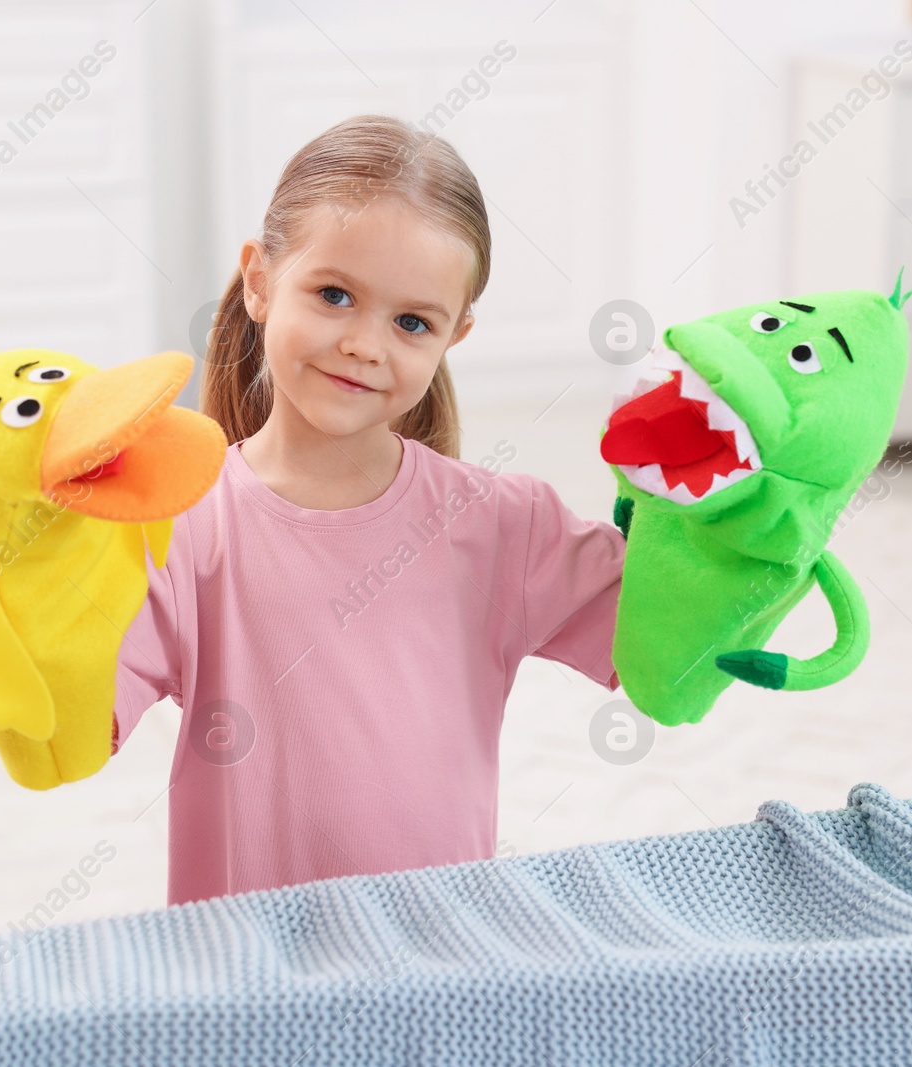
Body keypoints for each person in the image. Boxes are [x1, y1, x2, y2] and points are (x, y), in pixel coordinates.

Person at [111, 113, 624, 907]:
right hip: (244, 987)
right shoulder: (181, 524)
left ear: (455, 334)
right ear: (258, 281)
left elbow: (670, 639)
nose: (365, 343)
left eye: (411, 321)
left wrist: (758, 503)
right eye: (335, 294)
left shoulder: (504, 527)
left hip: (436, 974)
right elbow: (74, 716)